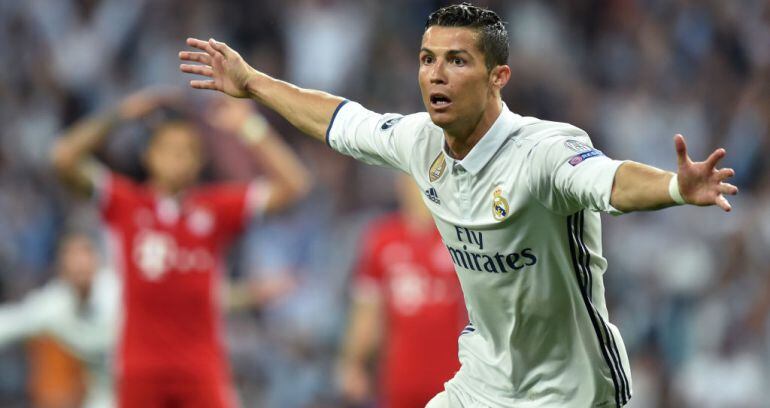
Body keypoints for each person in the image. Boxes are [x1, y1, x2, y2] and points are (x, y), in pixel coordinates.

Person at [178, 3, 738, 407]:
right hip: (484, 380)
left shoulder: (543, 149)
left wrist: (674, 188)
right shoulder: (420, 141)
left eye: (456, 61)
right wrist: (252, 83)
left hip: (569, 388)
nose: (436, 74)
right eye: (427, 59)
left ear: (499, 78)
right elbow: (340, 120)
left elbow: (608, 180)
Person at [50, 88, 311, 408]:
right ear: (149, 155)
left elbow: (295, 184)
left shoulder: (214, 209)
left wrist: (249, 127)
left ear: (200, 160)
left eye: (187, 150)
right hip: (140, 366)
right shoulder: (124, 203)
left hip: (200, 366)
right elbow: (63, 156)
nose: (178, 159)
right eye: (169, 149)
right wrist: (119, 115)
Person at [338, 174, 466, 408]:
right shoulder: (382, 239)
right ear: (400, 184)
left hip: (456, 380)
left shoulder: (460, 238)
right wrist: (352, 362)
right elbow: (367, 311)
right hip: (400, 381)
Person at [0, 231, 118, 408]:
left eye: (84, 254)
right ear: (61, 268)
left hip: (147, 386)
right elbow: (11, 321)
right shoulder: (56, 305)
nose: (78, 264)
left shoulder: (120, 293)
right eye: (71, 256)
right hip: (104, 394)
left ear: (97, 260)